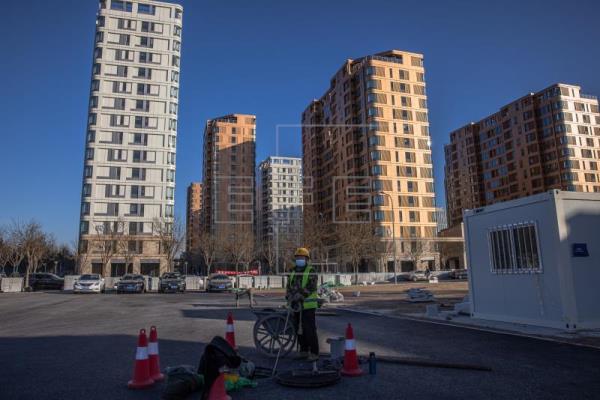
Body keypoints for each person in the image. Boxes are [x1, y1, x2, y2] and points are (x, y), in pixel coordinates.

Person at [286, 247, 319, 361]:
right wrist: (289, 296)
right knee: (297, 329)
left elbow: (312, 287)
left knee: (309, 329)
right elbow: (288, 286)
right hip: (295, 305)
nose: (300, 259)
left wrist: (300, 295)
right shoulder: (292, 271)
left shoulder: (311, 271)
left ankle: (314, 352)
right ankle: (303, 351)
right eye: (298, 257)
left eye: (302, 257)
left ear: (306, 259)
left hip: (308, 306)